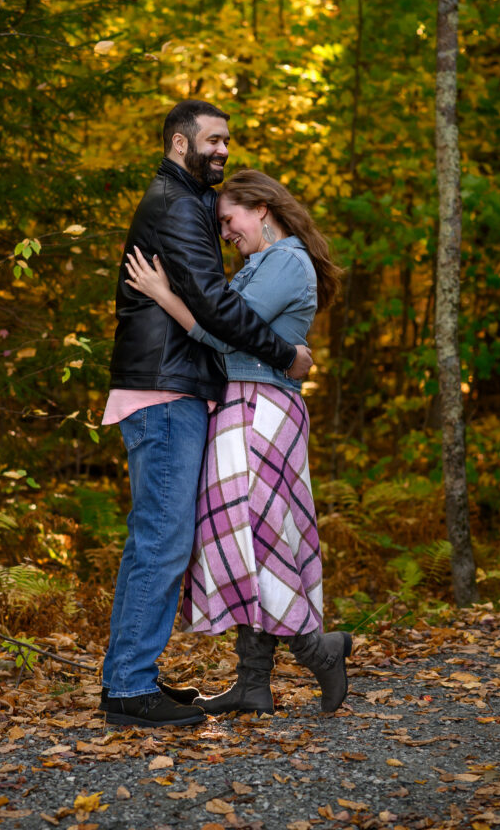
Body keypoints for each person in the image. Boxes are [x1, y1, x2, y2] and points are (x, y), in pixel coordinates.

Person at [100, 101, 313, 728]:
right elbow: (215, 305)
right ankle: (129, 688)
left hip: (171, 386)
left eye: (227, 140)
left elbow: (204, 300)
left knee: (160, 537)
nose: (222, 150)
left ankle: (131, 677)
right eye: (213, 140)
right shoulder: (175, 203)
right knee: (163, 539)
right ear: (178, 142)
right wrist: (286, 354)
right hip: (165, 390)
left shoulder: (185, 200)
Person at [125, 169, 351, 716]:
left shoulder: (288, 260)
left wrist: (164, 293)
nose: (225, 231)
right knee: (246, 539)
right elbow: (229, 327)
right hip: (241, 405)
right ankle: (253, 681)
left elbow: (225, 330)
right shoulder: (261, 263)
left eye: (229, 219)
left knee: (253, 536)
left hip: (262, 409)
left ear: (262, 208)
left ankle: (318, 650)